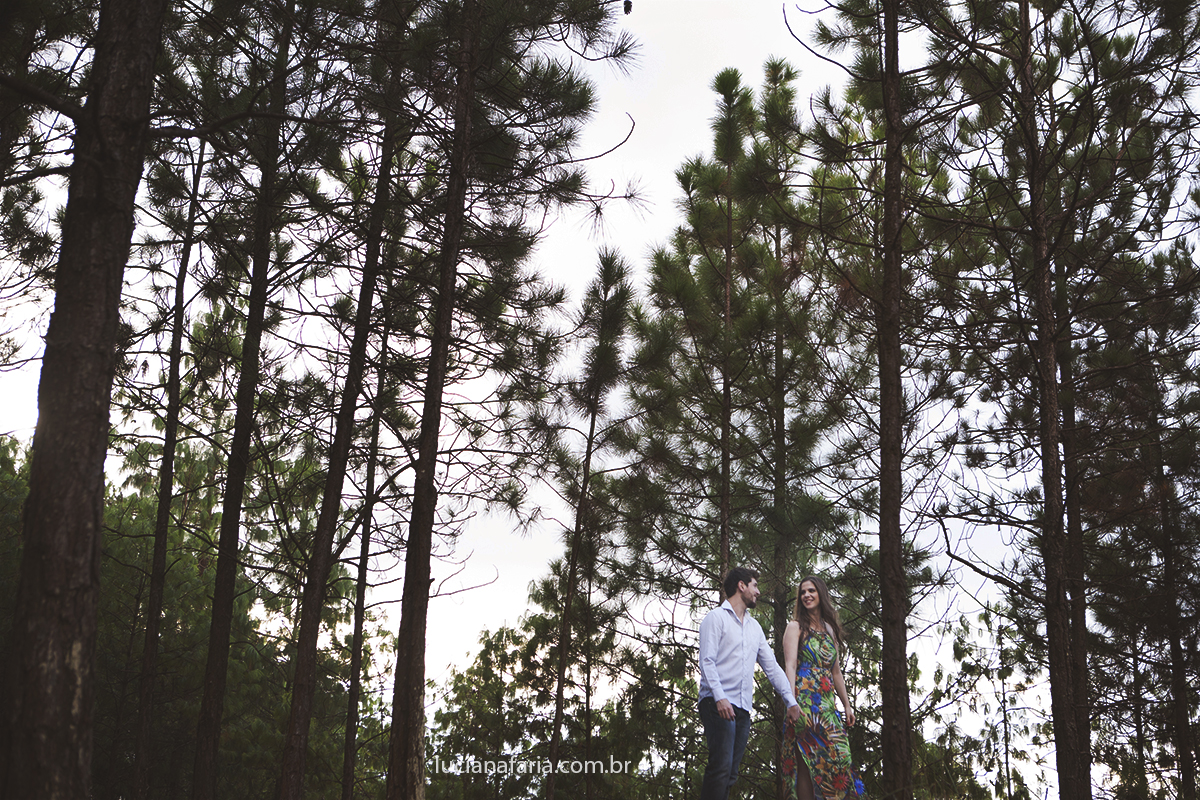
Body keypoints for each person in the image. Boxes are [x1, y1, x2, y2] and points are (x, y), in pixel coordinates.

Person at [698, 567, 801, 800]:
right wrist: (720, 697)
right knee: (720, 768)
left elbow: (772, 667)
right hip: (717, 703)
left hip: (742, 709)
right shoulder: (716, 618)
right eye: (755, 585)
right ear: (741, 586)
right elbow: (707, 661)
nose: (758, 591)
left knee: (731, 774)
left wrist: (790, 701)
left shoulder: (754, 628)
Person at [781, 576, 865, 799]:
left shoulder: (829, 629)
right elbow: (789, 665)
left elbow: (836, 671)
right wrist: (791, 702)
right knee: (808, 763)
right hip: (804, 703)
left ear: (821, 593)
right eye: (802, 592)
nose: (806, 595)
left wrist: (847, 705)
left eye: (811, 591)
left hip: (828, 706)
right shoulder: (795, 627)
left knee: (841, 758)